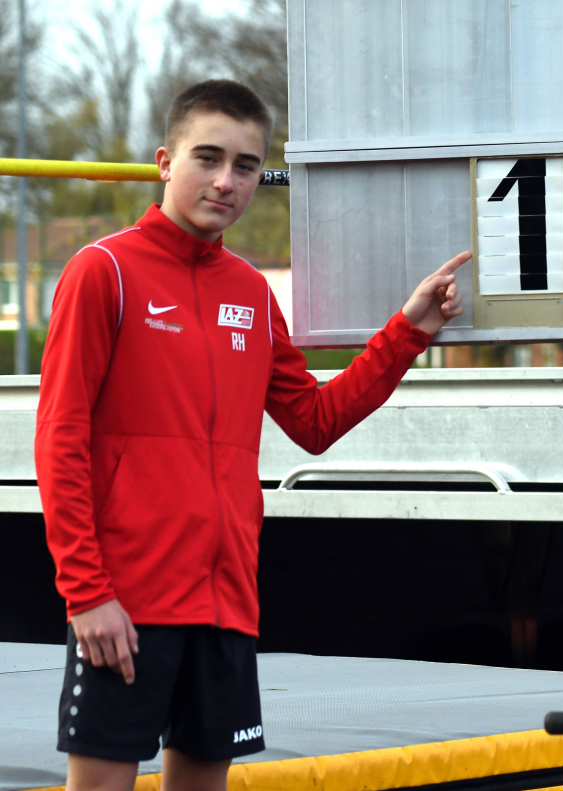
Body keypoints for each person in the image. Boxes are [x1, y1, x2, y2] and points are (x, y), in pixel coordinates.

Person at [34, 79, 470, 791]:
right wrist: (86, 592)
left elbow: (315, 422)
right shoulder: (102, 272)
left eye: (245, 165)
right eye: (207, 158)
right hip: (125, 602)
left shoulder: (250, 293)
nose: (226, 180)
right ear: (165, 162)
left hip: (226, 601)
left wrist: (409, 330)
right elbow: (60, 441)